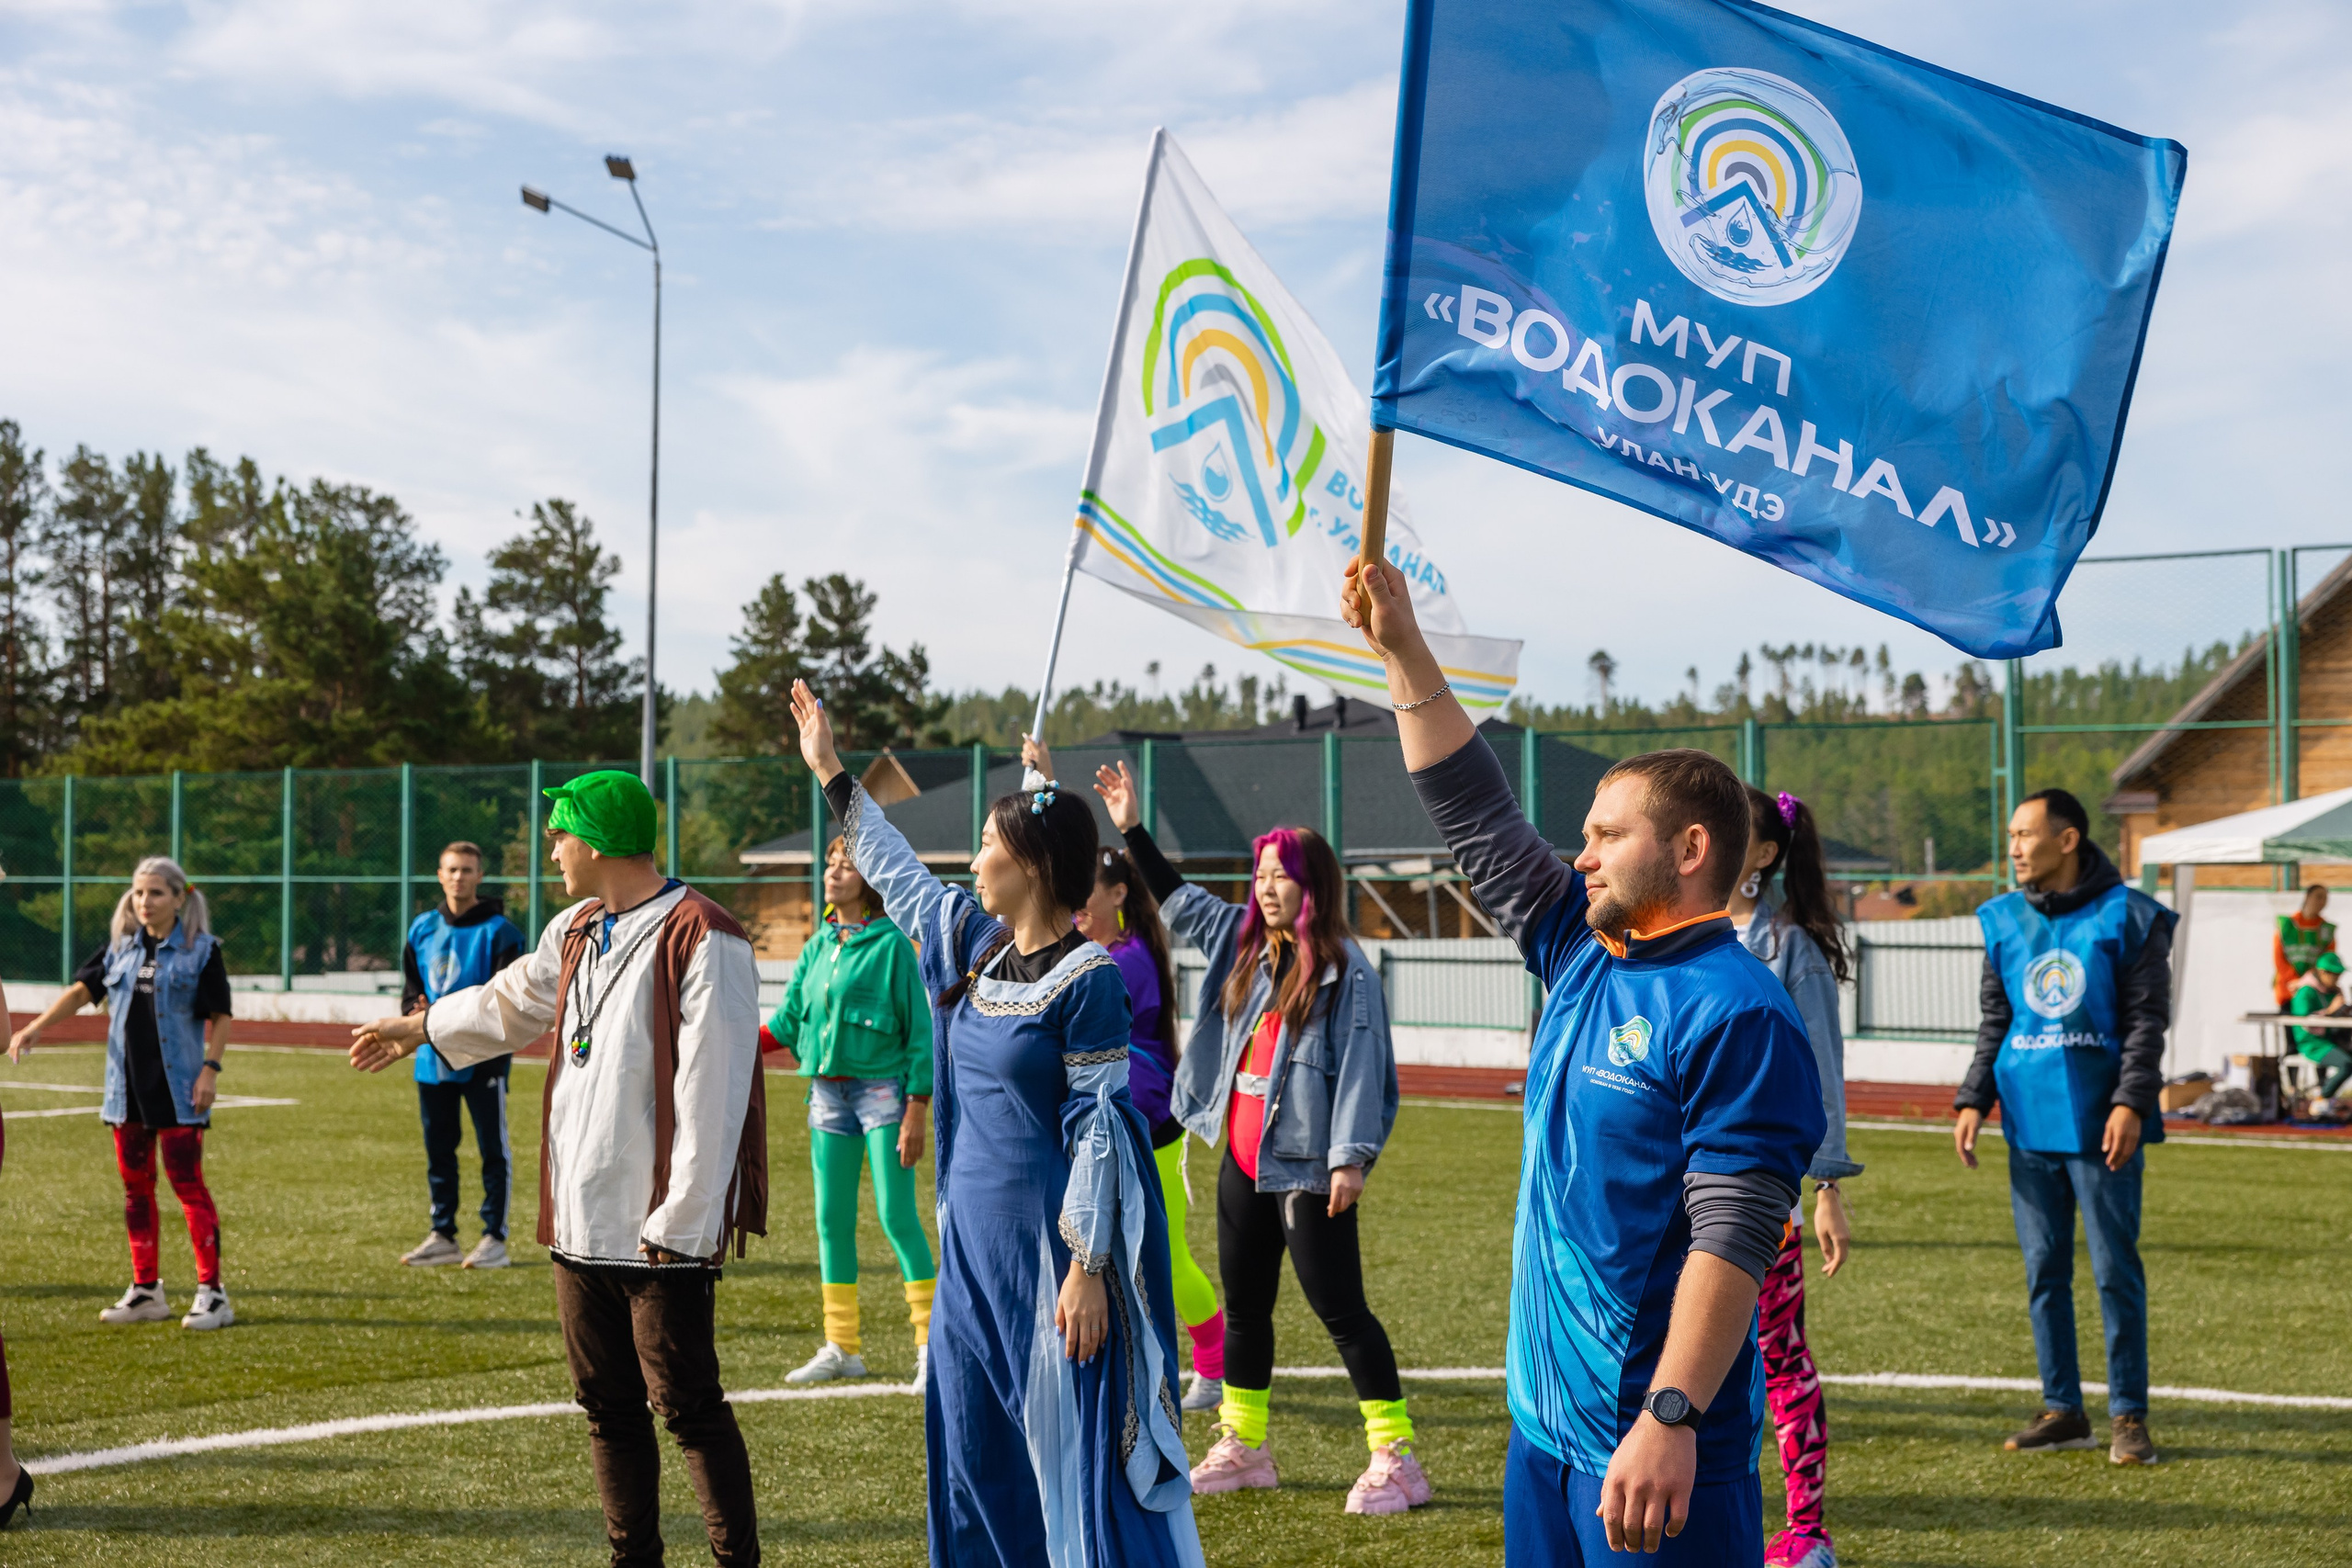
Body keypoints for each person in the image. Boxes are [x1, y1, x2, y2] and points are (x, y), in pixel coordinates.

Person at [1341, 556, 1824, 1567]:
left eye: (1607, 835)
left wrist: (1671, 1415)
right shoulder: (1580, 945)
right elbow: (1474, 813)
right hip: (1544, 1431)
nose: (1583, 856)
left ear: (1689, 849)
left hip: (1652, 1449)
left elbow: (1732, 1237)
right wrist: (1402, 651)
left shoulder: (1741, 1010)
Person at [788, 681, 1202, 1568]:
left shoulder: (1090, 978)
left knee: (1057, 1456)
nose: (973, 860)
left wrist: (1088, 1268)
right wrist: (830, 772)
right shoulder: (973, 947)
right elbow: (899, 871)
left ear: (1034, 867)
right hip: (967, 1248)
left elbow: (1100, 1129)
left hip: (1045, 1256)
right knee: (970, 1450)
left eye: (988, 845)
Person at [350, 771, 768, 1566]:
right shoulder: (576, 926)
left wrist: (681, 1220)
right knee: (608, 1408)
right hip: (580, 1223)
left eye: (561, 833)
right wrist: (420, 1026)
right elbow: (509, 1002)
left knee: (688, 1407)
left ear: (600, 841)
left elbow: (714, 1090)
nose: (552, 850)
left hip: (657, 1231)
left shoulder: (704, 933)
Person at [1089, 761, 1419, 1517]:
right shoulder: (1244, 946)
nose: (1266, 887)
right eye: (1261, 874)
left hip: (1306, 1170)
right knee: (1244, 1309)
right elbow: (1179, 901)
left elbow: (1364, 1070)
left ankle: (1396, 1455)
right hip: (1241, 1162)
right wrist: (1132, 828)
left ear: (1313, 884)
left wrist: (1349, 1159)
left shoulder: (1345, 971)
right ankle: (1245, 1445)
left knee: (1343, 1312)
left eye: (1281, 875)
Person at [1953, 786, 2172, 1468]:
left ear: (2068, 839)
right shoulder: (2002, 920)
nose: (2014, 848)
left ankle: (2128, 1415)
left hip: (2105, 1127)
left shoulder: (2130, 916)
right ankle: (2064, 1410)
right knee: (2044, 1270)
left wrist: (2131, 1101)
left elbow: (2146, 1021)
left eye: (2025, 834)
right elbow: (1997, 1019)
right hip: (2027, 1124)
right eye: (2011, 836)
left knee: (2114, 1271)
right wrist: (1974, 1097)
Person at [1029, 740, 1227, 1416]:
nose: (1075, 895)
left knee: (1163, 1253)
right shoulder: (1097, 950)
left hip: (1147, 1125)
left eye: (1087, 884)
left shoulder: (1127, 959)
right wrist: (1044, 786)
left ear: (1118, 893)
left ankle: (1214, 1365)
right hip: (1111, 1122)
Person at [11, 857, 235, 1332]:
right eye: (138, 892)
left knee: (188, 1186)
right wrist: (35, 1027)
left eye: (155, 893)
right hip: (126, 1090)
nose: (144, 902)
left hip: (178, 1090)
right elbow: (81, 991)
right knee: (136, 1190)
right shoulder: (120, 947)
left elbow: (221, 1015)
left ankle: (212, 1294)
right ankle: (146, 1290)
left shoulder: (202, 951)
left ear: (179, 898)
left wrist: (210, 1070)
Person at [1728, 787, 1862, 1568]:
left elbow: (1822, 1076)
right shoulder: (1673, 929)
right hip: (1673, 1197)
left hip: (1760, 1197)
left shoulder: (1790, 949)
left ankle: (1808, 1532)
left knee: (1778, 1358)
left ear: (1765, 854)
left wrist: (1827, 1188)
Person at [760, 832, 938, 1390]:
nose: (833, 873)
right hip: (826, 1096)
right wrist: (732, 1043)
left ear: (869, 881)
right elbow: (787, 1020)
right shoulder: (818, 945)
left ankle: (932, 1347)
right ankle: (842, 1347)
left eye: (846, 865)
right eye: (830, 864)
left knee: (896, 1217)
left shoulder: (894, 947)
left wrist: (917, 1108)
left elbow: (921, 1032)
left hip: (884, 1093)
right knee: (831, 1222)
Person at [396, 840, 527, 1270]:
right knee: (439, 1149)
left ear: (479, 876)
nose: (458, 877)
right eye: (451, 869)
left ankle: (494, 1238)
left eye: (467, 870)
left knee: (492, 1149)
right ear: (440, 875)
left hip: (483, 1058)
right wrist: (414, 1008)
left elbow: (506, 1000)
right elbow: (410, 991)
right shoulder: (421, 928)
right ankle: (443, 1234)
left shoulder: (501, 933)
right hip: (431, 1059)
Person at [2288, 953, 2352, 1100]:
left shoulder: (2332, 991)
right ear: (2323, 972)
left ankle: (2325, 1096)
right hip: (2312, 1044)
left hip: (2331, 1040)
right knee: (2346, 1064)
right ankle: (2322, 1098)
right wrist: (2330, 1011)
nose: (2338, 978)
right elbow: (2306, 1022)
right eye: (2335, 975)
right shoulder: (2306, 992)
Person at [2274, 883, 2335, 1009]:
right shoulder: (2286, 926)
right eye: (2319, 897)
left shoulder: (2326, 930)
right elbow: (2279, 959)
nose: (2322, 902)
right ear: (2307, 896)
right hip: (2288, 991)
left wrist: (2305, 982)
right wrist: (2295, 981)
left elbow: (2327, 962)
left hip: (2314, 994)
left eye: (2325, 899)